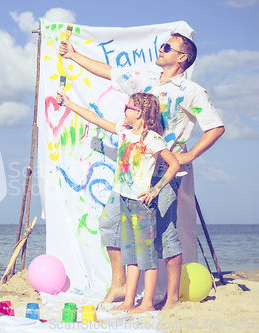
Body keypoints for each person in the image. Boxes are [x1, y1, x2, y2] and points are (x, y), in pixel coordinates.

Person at [59, 33, 225, 310]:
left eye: (167, 47)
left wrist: (188, 155)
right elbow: (109, 72)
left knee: (167, 234)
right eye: (162, 45)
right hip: (131, 177)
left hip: (162, 174)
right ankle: (120, 284)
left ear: (182, 58)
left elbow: (215, 127)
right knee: (110, 225)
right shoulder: (145, 79)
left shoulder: (191, 92)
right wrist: (73, 55)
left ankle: (171, 297)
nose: (160, 49)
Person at [56, 92, 180, 313]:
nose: (124, 110)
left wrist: (155, 189)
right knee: (130, 253)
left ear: (138, 112)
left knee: (147, 254)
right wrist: (68, 103)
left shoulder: (152, 138)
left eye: (127, 107)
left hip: (142, 205)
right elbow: (95, 119)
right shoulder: (124, 133)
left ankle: (148, 303)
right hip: (124, 200)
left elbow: (174, 165)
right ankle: (129, 301)